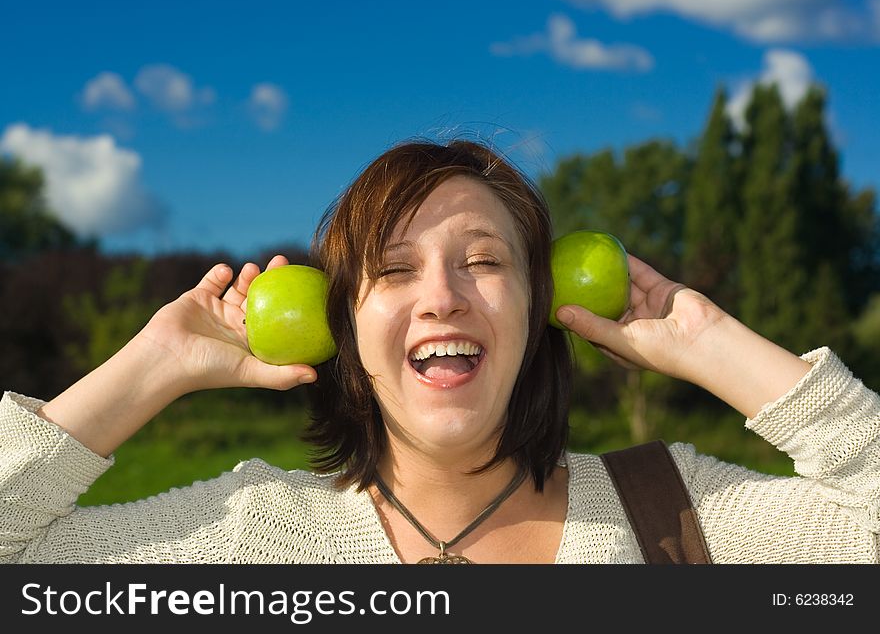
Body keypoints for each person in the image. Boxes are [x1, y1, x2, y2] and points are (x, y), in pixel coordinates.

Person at [1, 139, 878, 564]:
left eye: (485, 261)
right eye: (393, 269)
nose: (443, 295)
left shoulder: (672, 516)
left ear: (542, 310)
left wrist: (716, 347)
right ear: (344, 327)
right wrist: (154, 364)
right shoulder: (254, 541)